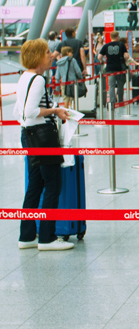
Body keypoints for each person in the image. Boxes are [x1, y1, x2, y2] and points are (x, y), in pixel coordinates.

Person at [13, 39, 73, 251]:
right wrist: (54, 111)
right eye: (47, 52)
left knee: (35, 186)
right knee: (52, 185)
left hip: (28, 134)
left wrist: (50, 107)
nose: (51, 55)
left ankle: (27, 236)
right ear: (38, 56)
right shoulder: (38, 79)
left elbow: (19, 112)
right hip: (42, 137)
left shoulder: (24, 77)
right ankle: (47, 238)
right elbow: (30, 111)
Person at [98, 31, 130, 104]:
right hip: (119, 68)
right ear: (117, 37)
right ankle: (121, 101)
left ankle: (112, 101)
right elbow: (127, 56)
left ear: (110, 37)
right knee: (120, 85)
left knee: (111, 85)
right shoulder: (121, 45)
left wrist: (103, 61)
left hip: (110, 68)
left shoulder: (106, 46)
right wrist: (124, 61)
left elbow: (99, 56)